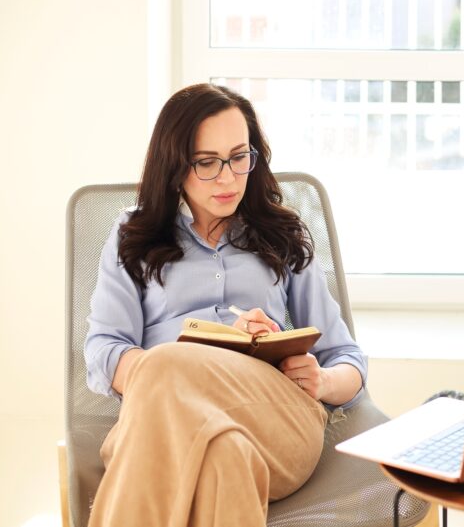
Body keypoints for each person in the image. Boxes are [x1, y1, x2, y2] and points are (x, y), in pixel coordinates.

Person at [84, 83, 367, 526]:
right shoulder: (132, 235)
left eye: (239, 157)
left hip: (278, 419)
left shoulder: (284, 234)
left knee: (162, 367)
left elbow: (348, 359)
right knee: (222, 455)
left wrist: (323, 379)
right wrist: (188, 363)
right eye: (207, 163)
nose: (228, 178)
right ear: (175, 165)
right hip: (170, 423)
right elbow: (103, 350)